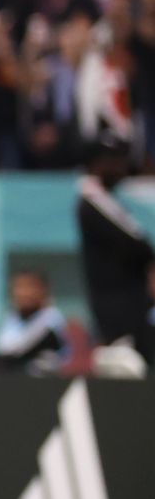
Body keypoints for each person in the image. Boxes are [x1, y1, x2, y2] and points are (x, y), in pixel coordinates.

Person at [75, 133, 155, 365]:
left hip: (132, 310)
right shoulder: (92, 200)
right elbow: (137, 244)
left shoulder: (110, 200)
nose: (121, 167)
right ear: (96, 164)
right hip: (119, 315)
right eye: (114, 160)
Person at [0, 269, 69, 374]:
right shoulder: (9, 318)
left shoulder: (52, 319)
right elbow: (3, 347)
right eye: (20, 287)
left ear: (44, 290)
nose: (25, 293)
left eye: (31, 286)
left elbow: (17, 350)